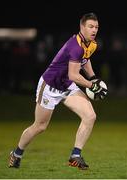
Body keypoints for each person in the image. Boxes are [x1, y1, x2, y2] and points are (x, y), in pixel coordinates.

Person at [9, 12, 107, 170]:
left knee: (90, 116)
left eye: (96, 27)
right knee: (40, 126)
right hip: (49, 86)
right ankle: (17, 153)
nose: (94, 30)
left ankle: (75, 155)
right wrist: (91, 85)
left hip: (67, 85)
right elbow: (74, 74)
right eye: (90, 26)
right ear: (81, 27)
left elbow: (85, 60)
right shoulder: (75, 46)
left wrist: (94, 78)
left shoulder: (92, 43)